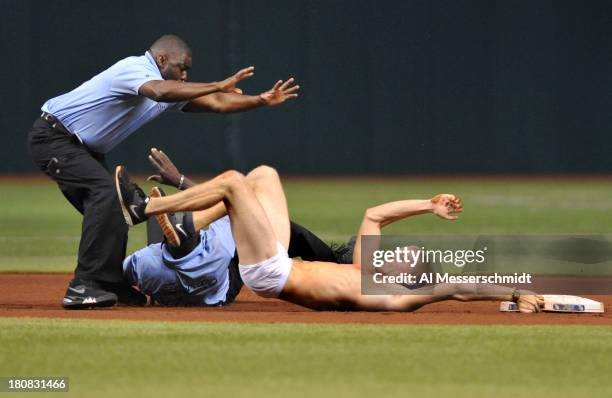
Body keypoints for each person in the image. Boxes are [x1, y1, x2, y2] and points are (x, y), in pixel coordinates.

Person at [27, 34, 299, 309]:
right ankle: (82, 286)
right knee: (107, 195)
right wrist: (216, 84)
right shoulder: (136, 69)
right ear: (161, 59)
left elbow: (217, 103)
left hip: (83, 148)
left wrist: (260, 100)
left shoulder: (167, 87)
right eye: (182, 68)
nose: (184, 75)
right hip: (55, 137)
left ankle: (109, 282)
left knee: (116, 210)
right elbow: (159, 91)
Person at [116, 165, 545, 313]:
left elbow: (455, 289)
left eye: (404, 258)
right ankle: (185, 229)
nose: (396, 255)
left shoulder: (390, 295)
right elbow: (374, 214)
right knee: (261, 176)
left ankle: (148, 210)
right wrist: (427, 206)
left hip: (270, 272)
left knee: (232, 184)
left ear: (406, 276)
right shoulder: (364, 268)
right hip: (276, 263)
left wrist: (513, 289)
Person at [122, 149, 353, 306]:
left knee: (251, 181)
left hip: (220, 269)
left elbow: (228, 195)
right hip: (225, 276)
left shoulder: (142, 262)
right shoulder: (367, 278)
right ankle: (166, 219)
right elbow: (374, 218)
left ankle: (152, 211)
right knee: (249, 182)